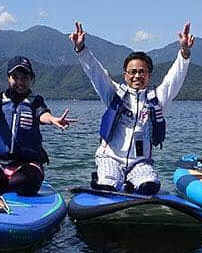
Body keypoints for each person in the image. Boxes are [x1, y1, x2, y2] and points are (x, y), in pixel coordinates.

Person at [70, 21, 194, 194]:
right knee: (108, 186)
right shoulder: (114, 94)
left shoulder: (156, 99)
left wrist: (184, 53)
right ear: (125, 75)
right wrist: (81, 49)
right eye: (133, 72)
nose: (137, 76)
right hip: (111, 157)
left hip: (140, 162)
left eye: (142, 72)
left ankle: (130, 183)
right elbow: (96, 73)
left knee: (149, 187)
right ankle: (106, 179)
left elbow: (174, 80)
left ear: (149, 75)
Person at [0, 56, 74, 213]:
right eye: (15, 77)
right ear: (8, 78)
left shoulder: (36, 101)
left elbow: (43, 115)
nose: (20, 82)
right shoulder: (1, 98)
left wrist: (53, 120)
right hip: (0, 163)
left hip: (28, 164)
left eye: (25, 78)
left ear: (31, 79)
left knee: (22, 182)